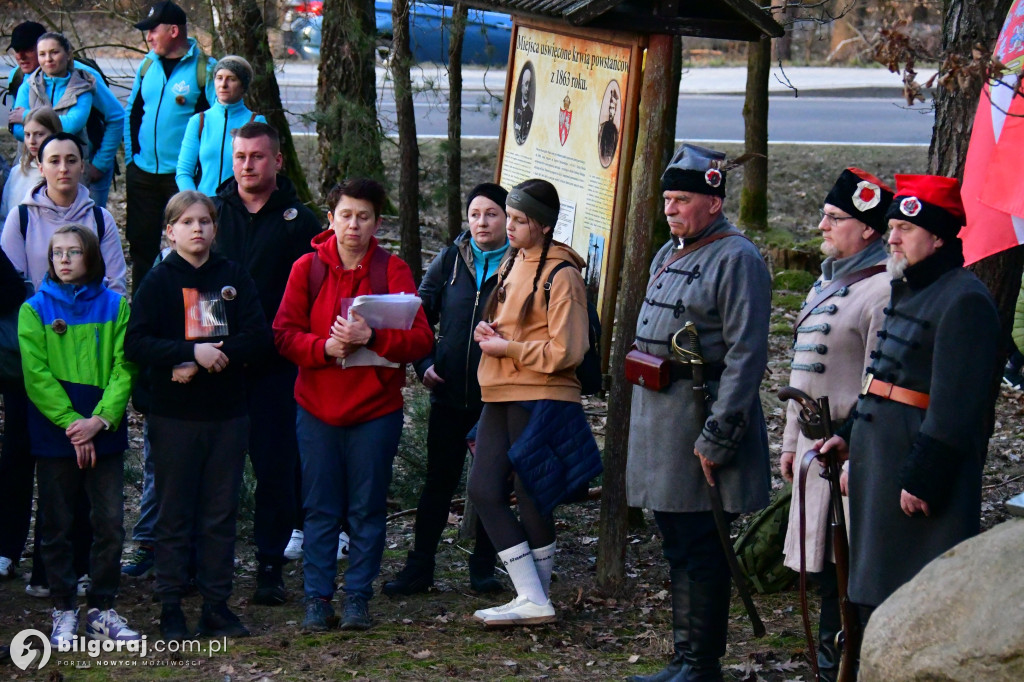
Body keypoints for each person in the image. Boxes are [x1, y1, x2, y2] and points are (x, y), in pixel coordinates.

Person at [819, 174, 1001, 630]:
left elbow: (958, 405)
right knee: (874, 592)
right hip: (882, 462)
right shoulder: (911, 286)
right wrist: (849, 438)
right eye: (892, 226)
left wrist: (924, 478)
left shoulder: (963, 299)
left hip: (916, 476)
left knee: (914, 600)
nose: (892, 238)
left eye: (905, 229)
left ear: (938, 237)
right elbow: (883, 376)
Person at [626, 144, 772, 682]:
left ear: (714, 201)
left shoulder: (737, 259)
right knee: (679, 544)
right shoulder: (673, 250)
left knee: (703, 545)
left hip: (701, 418)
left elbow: (746, 356)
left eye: (682, 199)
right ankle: (685, 659)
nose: (670, 208)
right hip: (661, 420)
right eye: (667, 198)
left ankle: (701, 664)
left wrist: (718, 436)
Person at [273, 178, 433, 632]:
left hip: (375, 411)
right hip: (317, 408)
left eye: (364, 217)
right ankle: (317, 599)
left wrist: (373, 337)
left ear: (376, 223)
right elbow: (283, 334)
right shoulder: (307, 269)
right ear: (331, 218)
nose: (354, 225)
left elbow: (421, 338)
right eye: (345, 215)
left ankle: (358, 598)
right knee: (320, 508)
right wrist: (325, 348)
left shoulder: (392, 270)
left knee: (366, 507)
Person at [124, 191, 270, 641]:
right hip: (175, 418)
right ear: (170, 230)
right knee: (174, 513)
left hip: (226, 416)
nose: (198, 230)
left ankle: (216, 604)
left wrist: (213, 355)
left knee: (219, 512)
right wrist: (186, 353)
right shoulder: (160, 280)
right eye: (187, 222)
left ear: (214, 228)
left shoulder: (231, 276)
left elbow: (259, 337)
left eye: (205, 221)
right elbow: (137, 343)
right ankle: (170, 605)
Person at [466, 178, 599, 627]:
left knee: (531, 494)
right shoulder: (512, 262)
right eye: (512, 217)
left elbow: (569, 351)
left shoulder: (563, 275)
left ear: (543, 226)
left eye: (520, 220)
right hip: (500, 389)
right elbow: (510, 325)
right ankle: (533, 595)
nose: (510, 227)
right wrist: (491, 334)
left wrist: (510, 350)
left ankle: (534, 598)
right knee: (484, 489)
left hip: (541, 394)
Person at [779, 168, 893, 682]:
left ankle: (847, 667)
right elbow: (799, 373)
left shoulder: (883, 291)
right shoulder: (829, 282)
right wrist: (789, 442)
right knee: (825, 569)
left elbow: (878, 385)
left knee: (851, 571)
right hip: (814, 447)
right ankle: (828, 667)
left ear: (868, 227)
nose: (821, 225)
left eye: (834, 217)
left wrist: (857, 447)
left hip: (849, 451)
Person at [381, 182, 509, 597]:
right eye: (475, 214)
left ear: (508, 218)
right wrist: (424, 362)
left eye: (491, 213)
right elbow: (419, 312)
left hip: (498, 396)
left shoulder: (520, 264)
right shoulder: (452, 259)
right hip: (449, 393)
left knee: (493, 484)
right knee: (439, 481)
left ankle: (484, 569)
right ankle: (420, 568)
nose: (482, 222)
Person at [211, 122, 320, 604]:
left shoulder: (302, 222)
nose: (247, 166)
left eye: (257, 157)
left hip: (278, 368)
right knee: (215, 470)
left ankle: (270, 568)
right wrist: (213, 347)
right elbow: (199, 281)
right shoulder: (212, 213)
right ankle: (204, 565)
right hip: (219, 364)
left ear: (277, 160)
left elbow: (313, 295)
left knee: (276, 469)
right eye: (240, 157)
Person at [18, 225, 138, 647]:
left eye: (73, 252)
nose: (64, 260)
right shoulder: (33, 310)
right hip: (56, 432)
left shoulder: (116, 307)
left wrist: (99, 421)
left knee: (109, 522)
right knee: (57, 522)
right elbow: (36, 376)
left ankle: (102, 608)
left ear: (91, 256)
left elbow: (125, 368)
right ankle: (64, 608)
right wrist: (74, 424)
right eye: (56, 253)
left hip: (102, 429)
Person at [124, 0, 216, 289]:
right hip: (142, 173)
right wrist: (131, 159)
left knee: (190, 249)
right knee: (141, 248)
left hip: (182, 178)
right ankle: (142, 309)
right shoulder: (148, 63)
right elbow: (132, 111)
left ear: (173, 30)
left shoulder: (206, 70)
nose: (148, 37)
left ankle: (188, 308)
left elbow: (217, 124)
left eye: (153, 31)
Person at [4, 22, 125, 209]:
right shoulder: (21, 78)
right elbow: (17, 126)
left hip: (85, 163)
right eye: (16, 50)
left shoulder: (84, 78)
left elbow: (115, 117)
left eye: (27, 49)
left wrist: (101, 163)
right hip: (34, 166)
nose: (20, 56)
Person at [1, 132, 127, 297]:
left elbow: (116, 286)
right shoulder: (20, 218)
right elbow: (11, 287)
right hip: (35, 319)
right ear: (41, 168)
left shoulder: (101, 219)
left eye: (71, 160)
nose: (63, 168)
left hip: (93, 320)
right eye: (54, 161)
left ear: (82, 166)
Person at [176, 56, 266, 196]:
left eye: (231, 79)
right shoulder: (199, 121)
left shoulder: (255, 122)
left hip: (241, 208)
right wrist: (196, 203)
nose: (223, 85)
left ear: (243, 86)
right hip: (205, 208)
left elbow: (262, 171)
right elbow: (184, 172)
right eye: (219, 78)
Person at [10, 33, 94, 145]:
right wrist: (57, 125)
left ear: (68, 55)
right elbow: (18, 131)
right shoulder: (27, 86)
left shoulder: (83, 87)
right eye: (42, 54)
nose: (48, 59)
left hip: (69, 159)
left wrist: (26, 115)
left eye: (54, 52)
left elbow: (72, 125)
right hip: (31, 160)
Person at [1, 106, 60, 218]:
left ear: (54, 134)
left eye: (39, 134)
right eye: (27, 135)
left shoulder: (63, 172)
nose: (32, 141)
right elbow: (4, 215)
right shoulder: (17, 172)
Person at [513, 64, 534, 145]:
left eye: (529, 85)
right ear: (521, 86)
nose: (527, 89)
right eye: (526, 84)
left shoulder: (530, 114)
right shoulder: (515, 108)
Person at [598, 88, 619, 167]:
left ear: (615, 110)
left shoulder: (615, 131)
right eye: (610, 108)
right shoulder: (603, 127)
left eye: (613, 108)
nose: (610, 111)